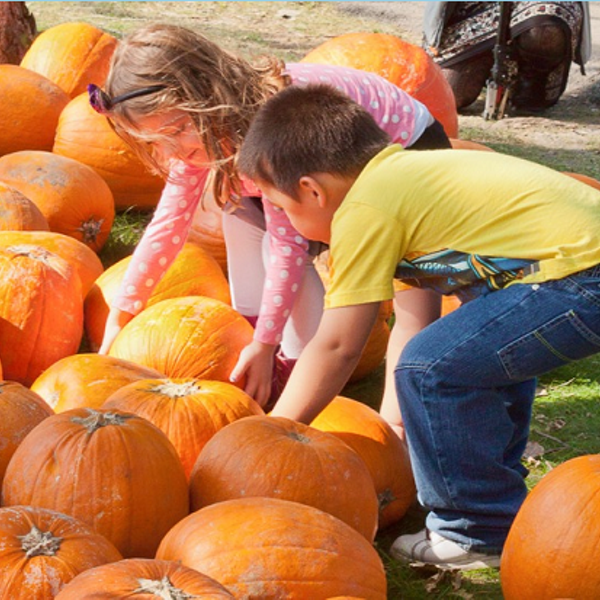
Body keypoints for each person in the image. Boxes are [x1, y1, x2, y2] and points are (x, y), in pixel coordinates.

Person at [236, 82, 600, 570]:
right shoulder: (401, 181)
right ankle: (496, 508)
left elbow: (340, 343)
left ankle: (474, 531)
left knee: (431, 367)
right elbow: (422, 318)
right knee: (469, 356)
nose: (282, 218)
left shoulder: (365, 209)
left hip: (582, 276)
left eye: (280, 207)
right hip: (574, 270)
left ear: (312, 190)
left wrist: (276, 432)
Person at [89, 23, 450, 412]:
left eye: (177, 129)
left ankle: (356, 402)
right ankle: (258, 347)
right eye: (153, 142)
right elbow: (167, 226)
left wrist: (266, 344)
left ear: (206, 98)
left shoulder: (270, 134)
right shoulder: (200, 137)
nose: (170, 150)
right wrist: (122, 313)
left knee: (412, 300)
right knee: (237, 211)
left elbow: (287, 248)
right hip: (325, 170)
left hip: (407, 156)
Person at [423, 1, 591, 112]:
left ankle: (530, 73)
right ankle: (487, 58)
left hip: (540, 7)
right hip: (475, 6)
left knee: (544, 33)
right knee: (448, 97)